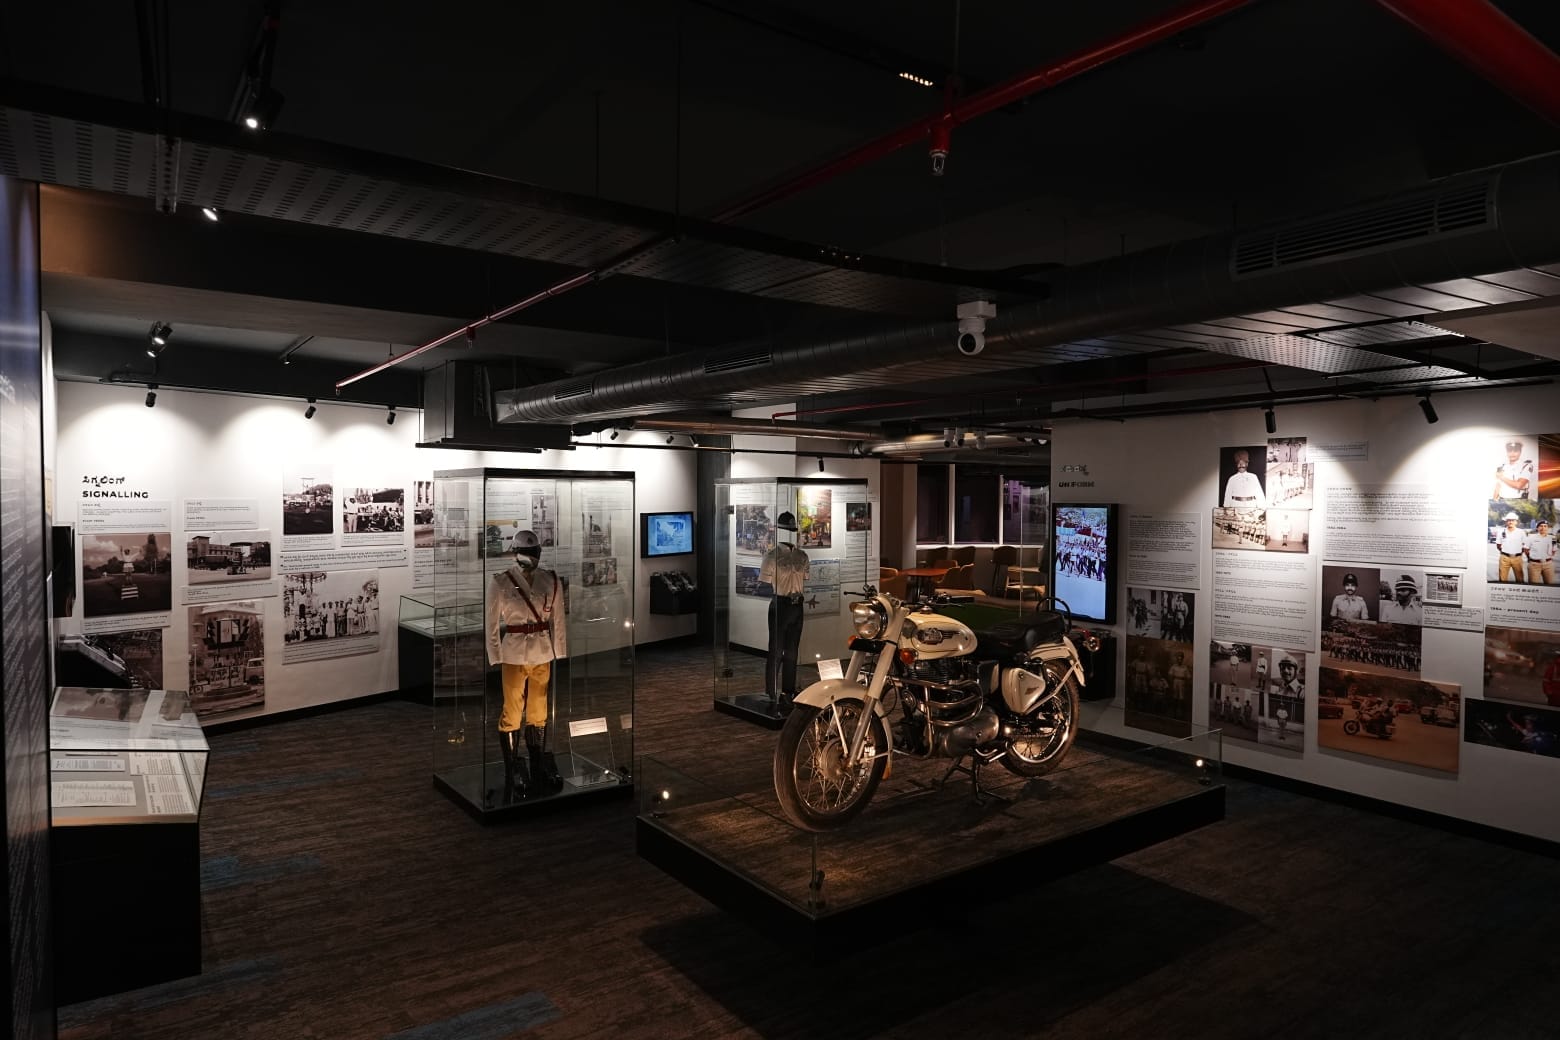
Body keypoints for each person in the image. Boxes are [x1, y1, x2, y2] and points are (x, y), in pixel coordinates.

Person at [486, 530, 569, 801]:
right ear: (515, 553)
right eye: (527, 553)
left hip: (542, 651)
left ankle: (536, 764)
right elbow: (490, 625)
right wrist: (495, 655)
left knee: (538, 710)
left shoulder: (550, 580)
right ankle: (512, 765)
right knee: (512, 709)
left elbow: (558, 620)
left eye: (534, 554)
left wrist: (560, 652)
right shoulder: (500, 582)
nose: (531, 558)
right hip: (513, 654)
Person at [758, 511, 810, 712]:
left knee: (792, 651)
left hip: (797, 605)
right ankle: (770, 690)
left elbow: (805, 578)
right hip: (780, 604)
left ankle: (788, 690)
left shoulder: (802, 556)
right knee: (776, 650)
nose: (789, 534)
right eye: (786, 530)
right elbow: (764, 582)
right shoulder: (771, 557)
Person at [1495, 512, 1527, 583]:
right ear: (1506, 522)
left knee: (1520, 579)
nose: (1510, 522)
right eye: (1509, 520)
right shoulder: (1501, 532)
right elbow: (1498, 545)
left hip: (1517, 558)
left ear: (1516, 522)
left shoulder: (1521, 532)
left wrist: (1518, 553)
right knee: (1502, 579)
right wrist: (1505, 552)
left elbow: (1524, 545)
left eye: (1513, 520)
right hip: (1504, 558)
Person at [1525, 519, 1555, 586]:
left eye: (1545, 526)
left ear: (1548, 528)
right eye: (1541, 526)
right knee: (1533, 586)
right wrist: (1530, 558)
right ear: (1537, 528)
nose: (1543, 528)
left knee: (1550, 586)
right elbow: (1526, 549)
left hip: (1548, 565)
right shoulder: (1531, 537)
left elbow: (1553, 551)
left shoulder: (1552, 538)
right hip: (1534, 565)